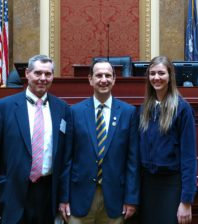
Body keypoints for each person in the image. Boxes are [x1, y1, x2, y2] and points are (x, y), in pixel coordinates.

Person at [0, 54, 71, 224]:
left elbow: (66, 159)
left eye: (48, 74)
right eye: (38, 73)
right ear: (27, 74)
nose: (43, 78)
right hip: (11, 194)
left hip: (48, 194)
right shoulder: (3, 107)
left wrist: (63, 198)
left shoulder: (63, 109)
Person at [59, 59, 140, 224]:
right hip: (79, 198)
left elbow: (132, 161)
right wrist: (63, 198)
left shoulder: (129, 112)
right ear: (90, 79)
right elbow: (66, 159)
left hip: (115, 198)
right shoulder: (74, 112)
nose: (104, 79)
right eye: (99, 75)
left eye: (108, 75)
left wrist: (131, 198)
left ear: (114, 79)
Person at [138, 56, 197, 224]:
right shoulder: (144, 110)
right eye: (152, 73)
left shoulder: (182, 109)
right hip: (148, 185)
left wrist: (186, 201)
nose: (156, 78)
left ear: (170, 76)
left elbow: (189, 158)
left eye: (161, 73)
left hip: (171, 185)